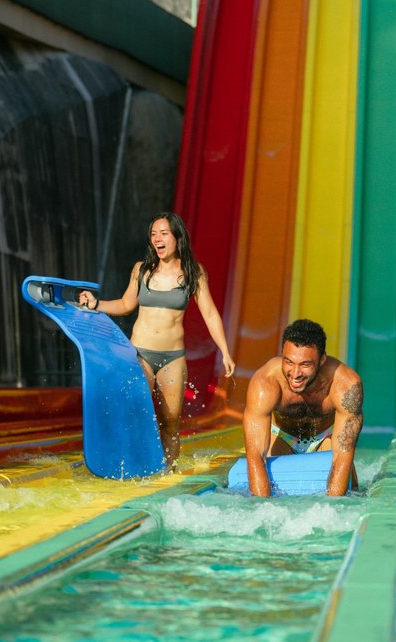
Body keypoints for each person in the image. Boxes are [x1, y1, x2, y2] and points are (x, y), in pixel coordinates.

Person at [78, 212, 235, 466]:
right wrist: (97, 304)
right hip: (140, 354)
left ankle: (166, 473)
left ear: (177, 237)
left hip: (173, 358)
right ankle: (127, 466)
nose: (157, 239)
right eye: (153, 234)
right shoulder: (142, 270)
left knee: (170, 423)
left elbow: (209, 313)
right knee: (133, 414)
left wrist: (225, 352)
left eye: (163, 233)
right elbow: (126, 304)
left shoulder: (193, 273)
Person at [241, 319, 363, 496]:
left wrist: (334, 508)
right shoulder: (265, 383)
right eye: (289, 362)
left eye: (305, 365)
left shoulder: (346, 385)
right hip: (282, 436)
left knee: (353, 489)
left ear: (322, 359)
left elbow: (342, 455)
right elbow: (256, 455)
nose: (295, 373)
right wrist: (261, 507)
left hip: (326, 437)